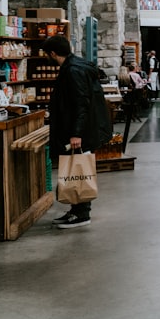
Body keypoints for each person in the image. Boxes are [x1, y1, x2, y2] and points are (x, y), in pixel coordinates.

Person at [41, 35, 113, 229]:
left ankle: (82, 213)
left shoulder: (73, 71)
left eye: (47, 54)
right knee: (76, 169)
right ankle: (76, 210)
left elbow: (81, 103)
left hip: (81, 132)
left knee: (79, 170)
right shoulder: (75, 67)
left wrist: (76, 133)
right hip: (81, 129)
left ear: (53, 53)